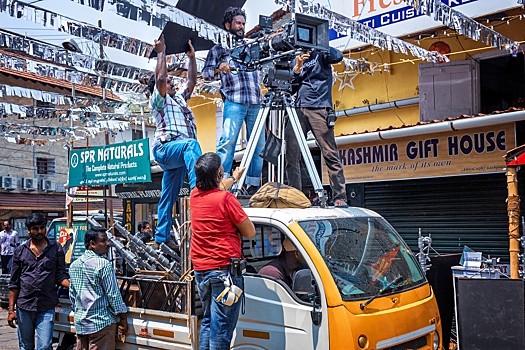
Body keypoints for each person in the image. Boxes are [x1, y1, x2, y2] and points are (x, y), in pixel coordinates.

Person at [190, 152, 256, 350]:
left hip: (202, 271)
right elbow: (250, 232)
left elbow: (218, 188)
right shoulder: (226, 200)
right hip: (224, 272)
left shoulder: (195, 195)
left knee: (209, 322)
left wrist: (234, 178)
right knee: (222, 330)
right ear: (218, 174)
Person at [202, 7, 264, 195]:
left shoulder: (250, 45)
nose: (241, 27)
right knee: (227, 143)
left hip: (255, 100)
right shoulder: (218, 48)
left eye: (243, 23)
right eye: (238, 23)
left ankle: (253, 185)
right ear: (227, 25)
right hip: (234, 100)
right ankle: (224, 184)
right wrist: (219, 67)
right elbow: (205, 73)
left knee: (259, 145)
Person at [149, 34, 202, 246]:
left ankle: (162, 237)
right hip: (165, 148)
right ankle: (202, 190)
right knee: (192, 145)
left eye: (172, 81)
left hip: (178, 155)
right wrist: (161, 52)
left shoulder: (178, 99)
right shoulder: (158, 101)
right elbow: (160, 78)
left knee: (168, 195)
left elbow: (191, 82)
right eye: (169, 81)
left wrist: (191, 58)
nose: (171, 82)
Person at [285, 47, 348, 207]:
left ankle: (339, 196)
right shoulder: (296, 56)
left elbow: (338, 56)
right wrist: (297, 67)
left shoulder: (322, 53)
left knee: (329, 153)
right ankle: (296, 197)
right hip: (298, 108)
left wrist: (320, 42)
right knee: (292, 154)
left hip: (320, 108)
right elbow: (289, 88)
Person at [7, 212, 70, 350]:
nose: (40, 231)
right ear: (29, 230)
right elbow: (14, 283)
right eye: (35, 228)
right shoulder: (20, 251)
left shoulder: (56, 248)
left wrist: (74, 286)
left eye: (42, 228)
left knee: (45, 346)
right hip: (24, 305)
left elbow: (61, 276)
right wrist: (11, 310)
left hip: (46, 305)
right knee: (26, 345)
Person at [69, 227, 128, 350]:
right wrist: (123, 317)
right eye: (103, 241)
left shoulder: (74, 265)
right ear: (92, 244)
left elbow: (73, 295)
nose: (108, 243)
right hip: (101, 323)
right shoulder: (103, 264)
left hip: (81, 324)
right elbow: (113, 295)